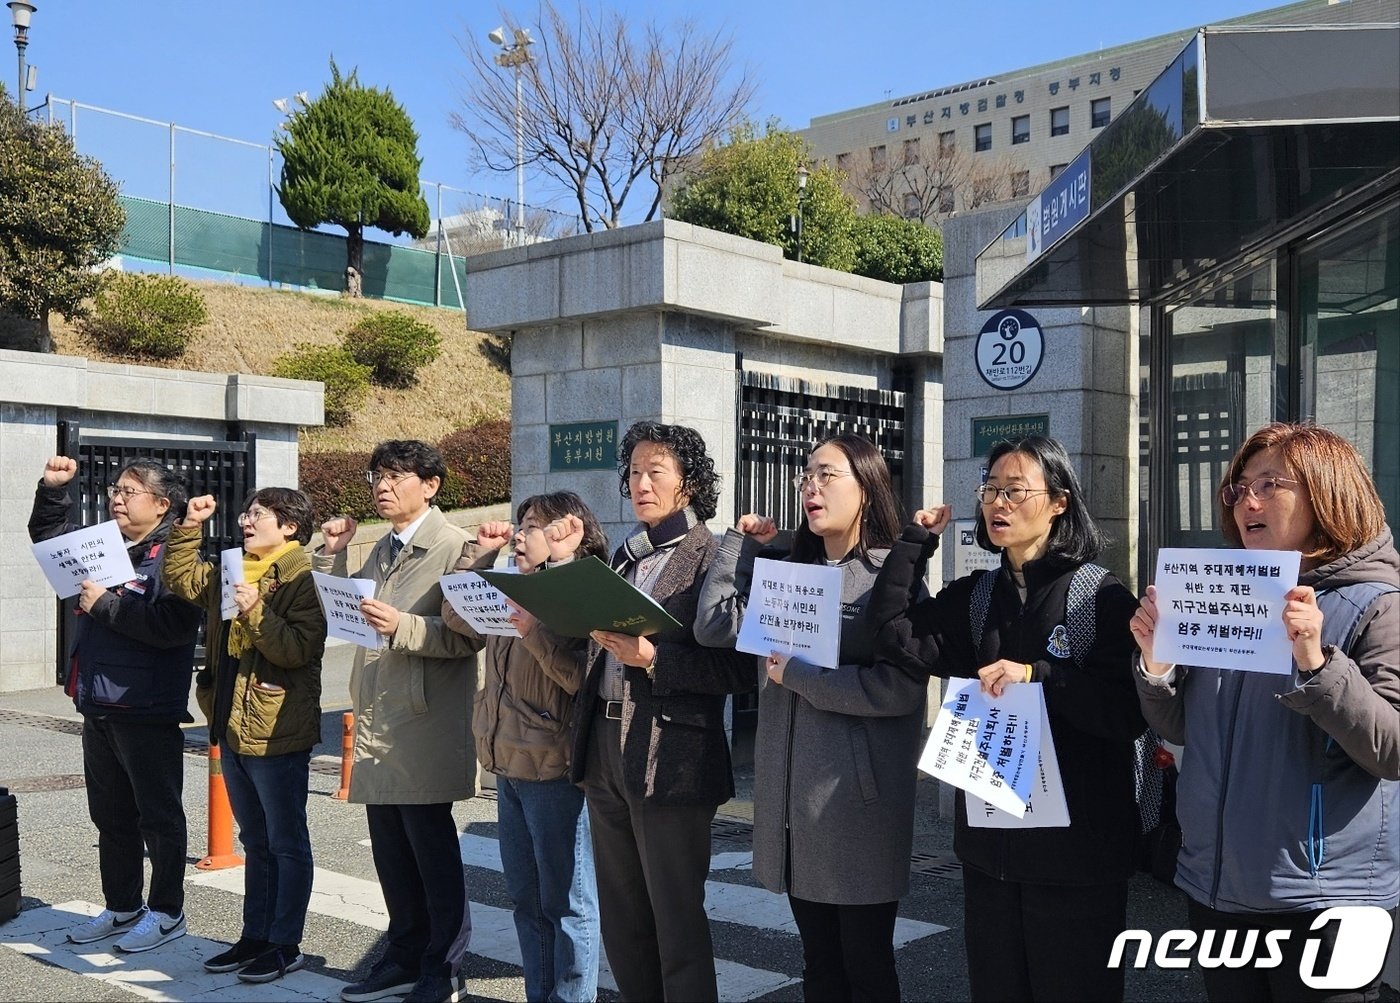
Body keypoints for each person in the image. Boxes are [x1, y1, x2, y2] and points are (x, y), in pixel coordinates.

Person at [868, 435, 1144, 1003]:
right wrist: (916, 543)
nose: (998, 504)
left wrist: (1037, 676)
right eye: (991, 489)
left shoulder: (1101, 597)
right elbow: (894, 634)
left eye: (1015, 491)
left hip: (1078, 856)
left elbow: (1126, 712)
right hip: (991, 850)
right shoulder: (977, 595)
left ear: (1060, 502)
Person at [1131, 422, 1399, 1003]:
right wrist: (1157, 667)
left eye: (1270, 484)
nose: (1247, 500)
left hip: (1327, 897)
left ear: (1328, 492)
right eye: (1238, 488)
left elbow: (1393, 749)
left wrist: (1318, 662)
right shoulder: (1224, 591)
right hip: (1215, 881)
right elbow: (1180, 728)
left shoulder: (1378, 604)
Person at [694, 433, 927, 1002]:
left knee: (866, 965)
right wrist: (739, 547)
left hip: (856, 805)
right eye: (806, 475)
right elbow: (713, 626)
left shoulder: (889, 579)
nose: (810, 486)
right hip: (793, 803)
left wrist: (800, 676)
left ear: (867, 489)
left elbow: (899, 690)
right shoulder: (784, 571)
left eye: (827, 474)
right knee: (818, 965)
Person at [538, 421, 751, 1002]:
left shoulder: (717, 554)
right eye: (633, 472)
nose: (640, 483)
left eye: (656, 471)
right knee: (622, 912)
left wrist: (654, 658)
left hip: (673, 754)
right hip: (603, 743)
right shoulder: (626, 555)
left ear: (689, 482)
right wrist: (559, 576)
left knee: (675, 913)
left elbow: (739, 670)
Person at [316, 440, 482, 1003]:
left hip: (424, 719)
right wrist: (332, 553)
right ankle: (404, 954)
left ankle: (444, 968)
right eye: (376, 477)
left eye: (395, 476)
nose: (381, 487)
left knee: (430, 849)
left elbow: (468, 636)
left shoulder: (455, 547)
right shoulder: (382, 547)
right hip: (377, 717)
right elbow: (342, 607)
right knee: (390, 849)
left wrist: (403, 627)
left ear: (430, 485)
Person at [27, 455, 203, 954]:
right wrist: (53, 490)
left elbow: (172, 630)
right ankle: (122, 905)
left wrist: (104, 603)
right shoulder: (107, 546)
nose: (116, 498)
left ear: (162, 504)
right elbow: (51, 540)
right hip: (97, 701)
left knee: (158, 816)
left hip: (145, 705)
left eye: (129, 491)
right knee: (110, 815)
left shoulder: (176, 556)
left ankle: (168, 911)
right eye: (115, 490)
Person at [440, 492, 606, 1003]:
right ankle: (541, 994)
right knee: (525, 899)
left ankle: (573, 997)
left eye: (532, 526)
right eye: (521, 523)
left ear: (564, 533)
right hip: (506, 765)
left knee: (568, 902)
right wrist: (481, 555)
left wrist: (532, 630)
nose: (519, 534)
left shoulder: (576, 590)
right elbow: (454, 618)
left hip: (553, 769)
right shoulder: (510, 584)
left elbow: (581, 677)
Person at [162, 487, 326, 984]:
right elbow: (182, 579)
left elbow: (298, 650)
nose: (246, 520)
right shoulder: (236, 566)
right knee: (255, 839)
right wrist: (188, 527)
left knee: (286, 841)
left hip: (277, 727)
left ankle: (284, 942)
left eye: (260, 514)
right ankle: (255, 935)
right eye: (247, 513)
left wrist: (256, 610)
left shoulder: (302, 576)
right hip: (230, 720)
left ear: (290, 527)